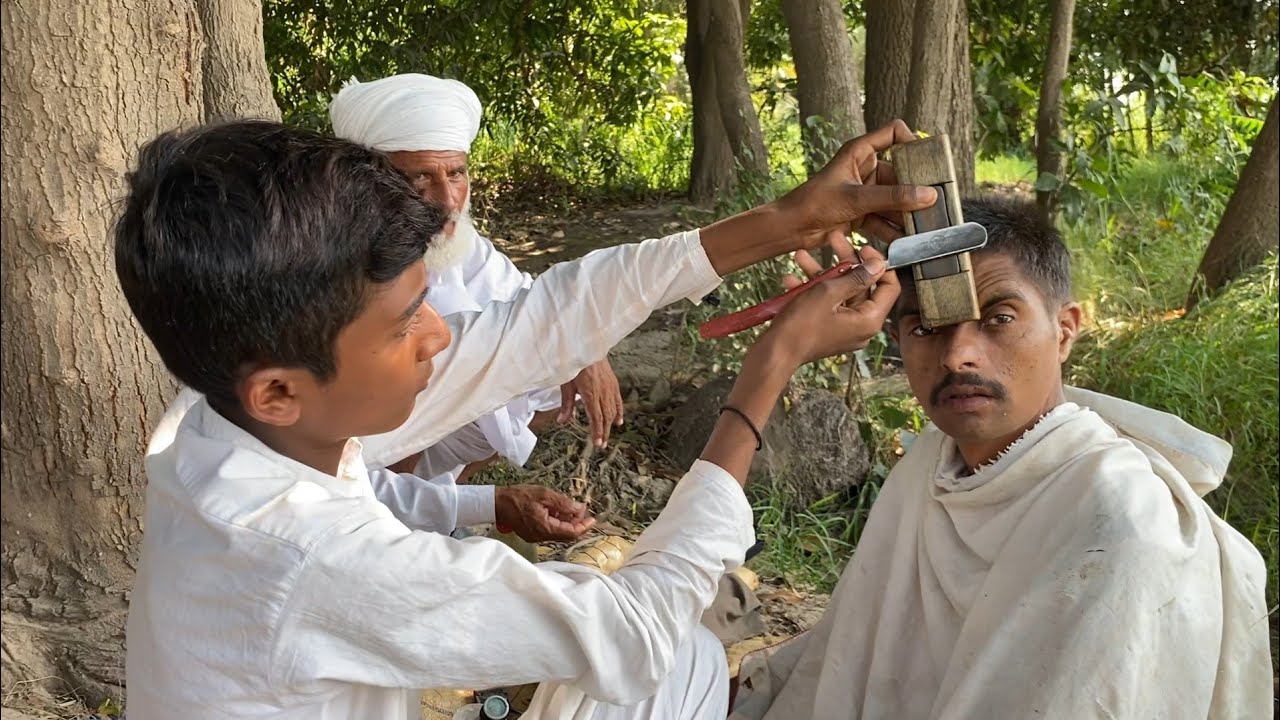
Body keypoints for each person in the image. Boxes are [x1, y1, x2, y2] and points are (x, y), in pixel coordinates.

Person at [119, 118, 936, 719]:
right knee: (669, 658)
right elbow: (632, 633)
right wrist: (772, 366)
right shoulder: (310, 560)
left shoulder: (220, 415)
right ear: (279, 391)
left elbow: (536, 322)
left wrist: (783, 223)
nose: (441, 334)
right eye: (407, 324)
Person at [730, 196, 1273, 720]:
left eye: (999, 319)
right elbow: (849, 654)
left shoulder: (1124, 518)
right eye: (925, 328)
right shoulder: (930, 467)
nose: (957, 354)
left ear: (1064, 331)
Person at [330, 73, 623, 493]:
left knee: (543, 379)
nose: (448, 200)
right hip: (349, 433)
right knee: (420, 378)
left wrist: (585, 349)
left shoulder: (456, 238)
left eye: (455, 174)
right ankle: (389, 509)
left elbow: (529, 297)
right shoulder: (342, 250)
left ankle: (442, 498)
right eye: (420, 178)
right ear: (373, 180)